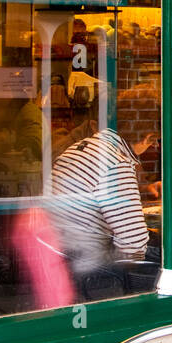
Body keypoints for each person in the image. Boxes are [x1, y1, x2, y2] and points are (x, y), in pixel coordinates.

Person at [49, 79, 152, 278]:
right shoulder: (116, 162)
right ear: (146, 136)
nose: (153, 146)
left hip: (60, 259)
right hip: (87, 270)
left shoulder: (81, 147)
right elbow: (135, 243)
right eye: (153, 140)